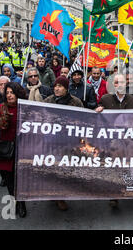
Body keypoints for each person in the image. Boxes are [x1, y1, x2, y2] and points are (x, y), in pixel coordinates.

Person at [95, 74, 133, 209]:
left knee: (129, 167)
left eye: (122, 82)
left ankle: (131, 189)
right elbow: (97, 119)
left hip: (129, 141)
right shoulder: (105, 99)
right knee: (114, 168)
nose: (119, 84)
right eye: (116, 82)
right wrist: (98, 110)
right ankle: (114, 196)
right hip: (112, 142)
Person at [44, 76, 84, 211]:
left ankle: (62, 193)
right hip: (53, 142)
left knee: (67, 170)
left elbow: (84, 120)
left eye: (60, 86)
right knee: (54, 168)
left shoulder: (76, 102)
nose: (57, 88)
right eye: (55, 86)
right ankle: (58, 196)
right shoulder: (48, 101)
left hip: (70, 142)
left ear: (66, 88)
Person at [0, 82, 28, 218]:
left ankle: (22, 203)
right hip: (6, 150)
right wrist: (0, 122)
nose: (9, 95)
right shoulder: (0, 107)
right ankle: (13, 200)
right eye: (7, 93)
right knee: (9, 179)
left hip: (22, 148)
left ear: (18, 93)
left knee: (20, 179)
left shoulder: (25, 107)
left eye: (12, 92)